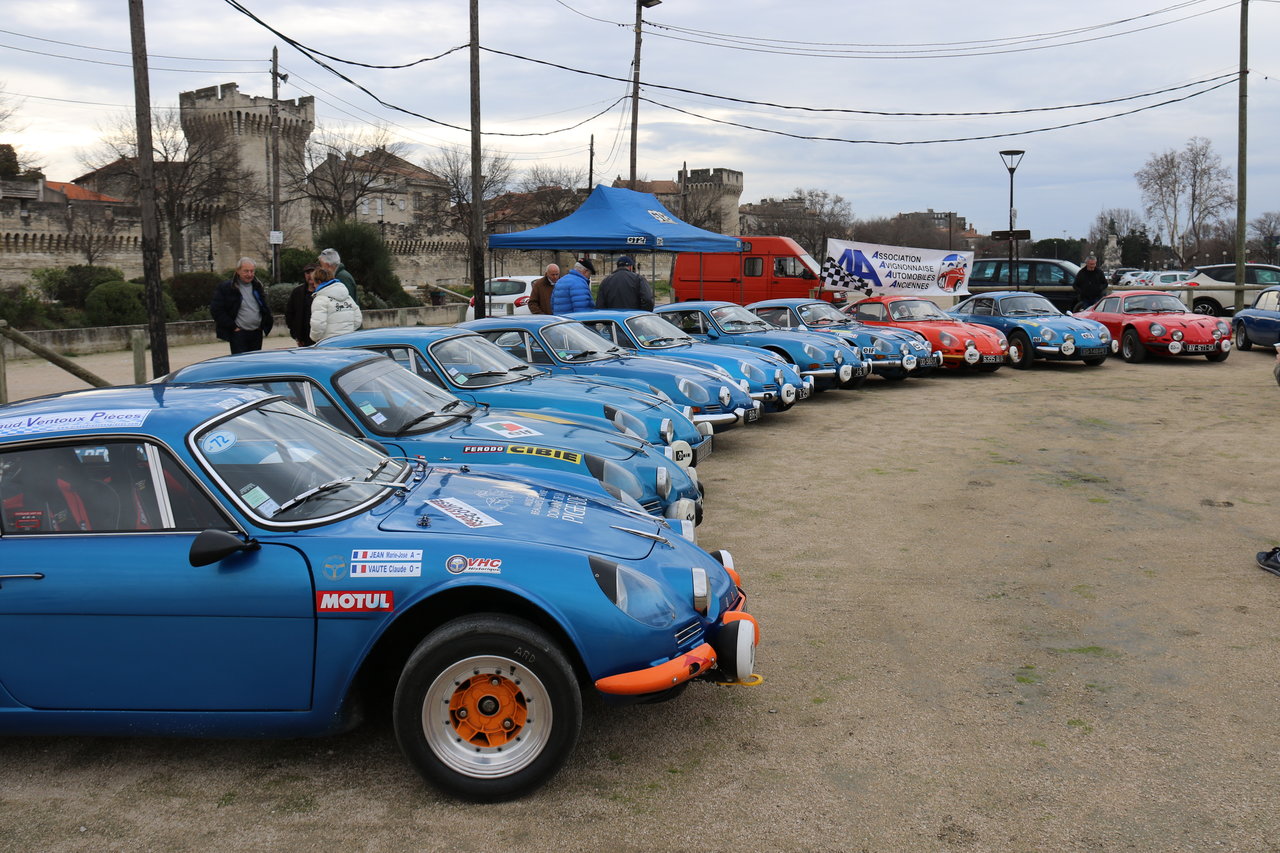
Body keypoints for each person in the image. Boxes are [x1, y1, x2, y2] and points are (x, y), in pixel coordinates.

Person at [210, 257, 273, 354]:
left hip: (256, 333)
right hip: (239, 334)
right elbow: (216, 310)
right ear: (238, 271)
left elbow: (264, 307)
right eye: (246, 271)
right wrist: (233, 327)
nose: (249, 274)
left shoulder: (258, 286)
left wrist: (263, 324)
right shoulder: (227, 288)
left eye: (252, 271)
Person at [310, 267, 363, 343]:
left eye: (314, 283)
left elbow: (318, 325)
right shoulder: (348, 297)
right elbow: (358, 320)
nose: (314, 286)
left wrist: (314, 338)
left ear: (319, 281)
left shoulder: (320, 299)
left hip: (329, 343)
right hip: (349, 341)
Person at [285, 263, 320, 347]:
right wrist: (296, 335)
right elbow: (289, 314)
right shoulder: (297, 292)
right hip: (304, 339)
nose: (310, 275)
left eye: (313, 272)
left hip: (321, 338)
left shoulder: (324, 291)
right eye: (307, 273)